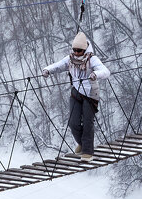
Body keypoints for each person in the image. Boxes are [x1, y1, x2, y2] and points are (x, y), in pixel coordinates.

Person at [42, 31, 110, 160]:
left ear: (84, 50)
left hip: (90, 94)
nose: (77, 53)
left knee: (88, 123)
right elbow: (59, 65)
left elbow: (106, 71)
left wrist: (96, 74)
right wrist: (47, 70)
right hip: (76, 92)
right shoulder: (70, 59)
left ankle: (88, 152)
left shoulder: (92, 59)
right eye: (75, 50)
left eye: (79, 50)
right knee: (73, 122)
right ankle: (82, 143)